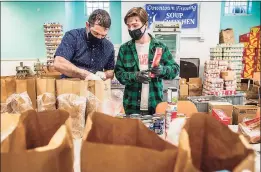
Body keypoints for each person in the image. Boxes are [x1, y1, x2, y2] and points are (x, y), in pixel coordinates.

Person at [114, 7, 180, 115]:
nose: (131, 29)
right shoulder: (124, 49)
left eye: (135, 25)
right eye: (128, 26)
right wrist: (135, 76)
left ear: (146, 24)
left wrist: (162, 70)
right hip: (132, 106)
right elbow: (119, 74)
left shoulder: (160, 47)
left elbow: (175, 69)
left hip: (154, 104)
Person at [54, 9, 115, 80]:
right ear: (87, 25)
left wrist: (105, 74)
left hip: (95, 88)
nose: (99, 38)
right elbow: (59, 63)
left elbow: (111, 72)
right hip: (70, 87)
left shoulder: (108, 46)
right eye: (96, 33)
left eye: (103, 35)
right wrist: (85, 74)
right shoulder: (73, 37)